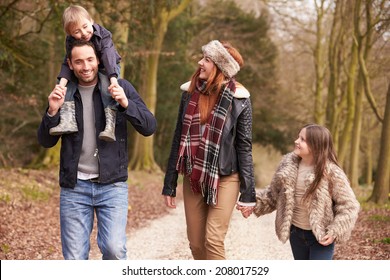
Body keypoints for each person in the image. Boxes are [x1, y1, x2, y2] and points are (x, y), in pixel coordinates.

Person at [37, 40, 157, 260]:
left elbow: (149, 126)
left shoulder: (119, 87)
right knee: (74, 258)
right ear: (70, 65)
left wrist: (126, 104)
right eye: (79, 61)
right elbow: (45, 142)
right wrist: (52, 112)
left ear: (99, 59)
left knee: (114, 249)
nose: (86, 66)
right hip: (74, 187)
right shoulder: (65, 92)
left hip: (112, 186)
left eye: (90, 59)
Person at [162, 40, 256, 260]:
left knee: (213, 240)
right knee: (196, 243)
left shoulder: (240, 99)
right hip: (194, 176)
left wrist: (248, 192)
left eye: (206, 59)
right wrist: (169, 183)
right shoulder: (189, 94)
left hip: (226, 177)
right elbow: (178, 137)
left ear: (220, 67)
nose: (199, 62)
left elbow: (244, 146)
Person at [237, 124, 360, 260]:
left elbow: (349, 205)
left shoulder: (331, 172)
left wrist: (335, 231)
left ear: (315, 145)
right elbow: (272, 195)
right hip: (296, 234)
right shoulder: (288, 165)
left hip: (321, 237)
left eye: (302, 139)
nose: (296, 141)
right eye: (298, 137)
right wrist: (251, 203)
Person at [50, 4, 122, 142]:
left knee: (106, 87)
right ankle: (68, 120)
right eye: (77, 32)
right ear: (70, 34)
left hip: (109, 66)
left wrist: (113, 78)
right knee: (66, 85)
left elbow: (108, 56)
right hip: (84, 66)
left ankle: (110, 125)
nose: (83, 33)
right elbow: (68, 61)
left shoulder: (103, 35)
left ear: (91, 21)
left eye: (85, 26)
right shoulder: (71, 41)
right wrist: (61, 85)